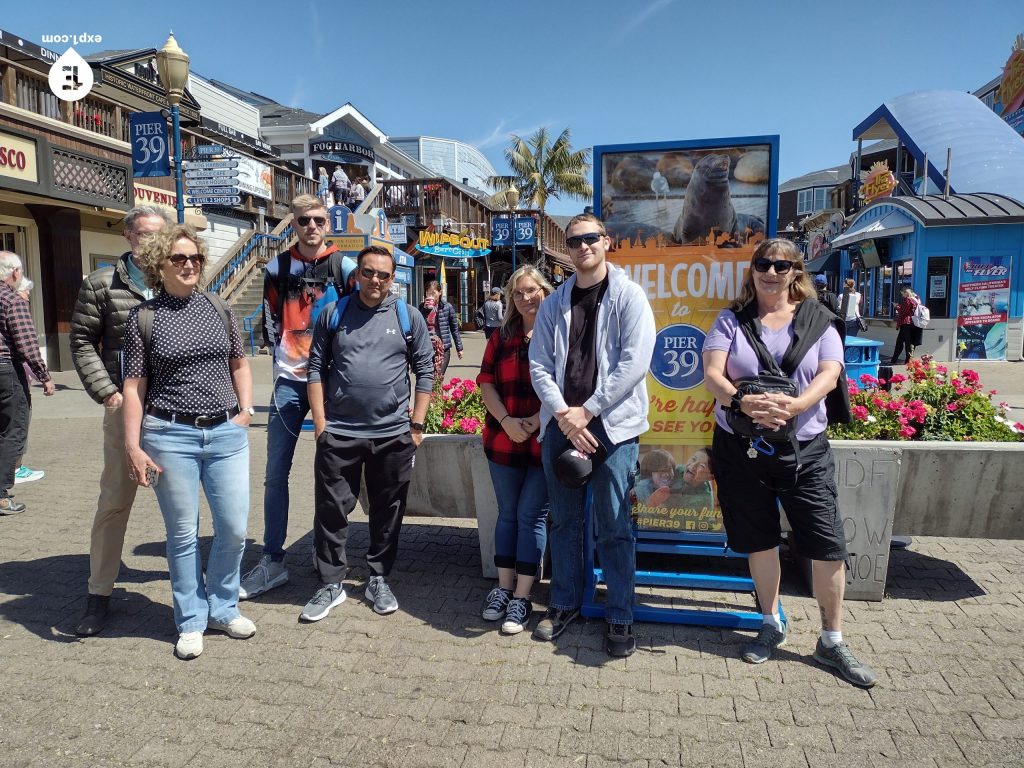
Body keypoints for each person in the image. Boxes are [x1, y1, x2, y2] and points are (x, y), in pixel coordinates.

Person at [701, 237, 877, 688]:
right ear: (753, 269)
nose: (772, 272)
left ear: (797, 271)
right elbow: (713, 375)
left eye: (783, 265)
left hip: (804, 450)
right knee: (759, 539)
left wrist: (795, 406)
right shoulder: (731, 320)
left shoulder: (820, 319)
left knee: (825, 543)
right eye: (764, 264)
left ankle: (832, 639)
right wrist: (743, 401)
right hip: (742, 449)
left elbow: (830, 373)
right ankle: (769, 622)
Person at [121, 224, 256, 661]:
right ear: (160, 265)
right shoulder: (144, 317)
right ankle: (191, 619)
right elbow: (134, 385)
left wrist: (245, 412)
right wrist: (133, 445)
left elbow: (239, 364)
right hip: (168, 434)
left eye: (194, 258)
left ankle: (224, 605)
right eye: (179, 258)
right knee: (182, 534)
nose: (189, 265)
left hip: (225, 433)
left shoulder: (220, 308)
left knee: (234, 527)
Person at [529, 213, 656, 657]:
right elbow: (539, 365)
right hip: (563, 426)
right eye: (575, 240)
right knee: (564, 521)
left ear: (607, 242)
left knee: (616, 525)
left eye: (590, 238)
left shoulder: (629, 296)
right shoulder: (553, 303)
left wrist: (589, 412)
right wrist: (565, 415)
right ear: (568, 248)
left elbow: (634, 363)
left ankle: (620, 614)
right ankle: (564, 603)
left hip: (613, 428)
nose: (583, 246)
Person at [302, 245, 434, 622]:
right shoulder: (334, 313)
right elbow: (315, 368)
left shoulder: (408, 317)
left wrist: (417, 425)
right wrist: (321, 424)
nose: (376, 280)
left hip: (392, 433)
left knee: (387, 508)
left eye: (384, 274)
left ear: (393, 279)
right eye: (369, 272)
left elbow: (425, 370)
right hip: (340, 432)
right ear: (357, 274)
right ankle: (331, 582)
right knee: (332, 510)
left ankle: (378, 576)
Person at [241, 194, 350, 601]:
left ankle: (330, 562)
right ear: (294, 223)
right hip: (289, 381)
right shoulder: (277, 267)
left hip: (332, 380)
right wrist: (277, 361)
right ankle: (272, 560)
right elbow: (271, 319)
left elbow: (362, 310)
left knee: (333, 473)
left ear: (328, 222)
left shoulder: (345, 266)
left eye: (319, 219)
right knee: (275, 473)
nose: (312, 226)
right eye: (304, 220)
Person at [70, 205, 171, 635]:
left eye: (159, 236)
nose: (153, 244)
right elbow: (81, 341)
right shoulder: (101, 283)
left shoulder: (177, 278)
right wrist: (107, 393)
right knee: (114, 502)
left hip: (174, 410)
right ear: (129, 237)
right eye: (145, 235)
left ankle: (193, 589)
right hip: (124, 409)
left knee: (181, 506)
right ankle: (99, 593)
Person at [477, 265, 553, 635]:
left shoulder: (559, 333)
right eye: (518, 293)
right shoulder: (502, 335)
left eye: (532, 290)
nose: (526, 298)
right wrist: (507, 421)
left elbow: (571, 384)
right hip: (504, 437)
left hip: (543, 440)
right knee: (507, 515)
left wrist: (537, 420)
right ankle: (503, 588)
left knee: (531, 517)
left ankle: (523, 596)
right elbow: (485, 381)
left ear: (545, 291)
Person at [0, 252, 54, 516]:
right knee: (12, 431)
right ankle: (0, 496)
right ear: (15, 272)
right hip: (4, 370)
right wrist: (43, 375)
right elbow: (27, 343)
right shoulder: (11, 299)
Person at [13, 276, 43, 485]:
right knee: (18, 424)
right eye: (26, 293)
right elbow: (28, 348)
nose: (28, 297)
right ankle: (16, 468)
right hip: (15, 381)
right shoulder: (17, 309)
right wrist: (44, 376)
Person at [634, 448, 713, 513]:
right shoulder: (679, 471)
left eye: (701, 466)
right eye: (693, 459)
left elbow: (678, 521)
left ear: (710, 476)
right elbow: (647, 475)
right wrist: (634, 487)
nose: (692, 466)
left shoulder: (703, 498)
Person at [420, 281, 464, 378]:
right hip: (427, 348)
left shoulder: (447, 307)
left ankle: (437, 393)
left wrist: (459, 348)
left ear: (440, 292)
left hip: (443, 348)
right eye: (428, 293)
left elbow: (454, 329)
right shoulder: (421, 307)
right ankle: (433, 393)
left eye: (433, 293)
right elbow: (418, 327)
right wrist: (425, 310)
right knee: (428, 377)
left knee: (439, 376)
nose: (430, 295)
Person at [891, 287, 923, 365]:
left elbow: (903, 312)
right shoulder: (917, 299)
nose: (902, 296)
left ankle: (907, 361)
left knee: (905, 343)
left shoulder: (908, 300)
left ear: (906, 292)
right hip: (914, 323)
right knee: (904, 342)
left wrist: (896, 306)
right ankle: (896, 360)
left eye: (903, 294)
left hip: (906, 323)